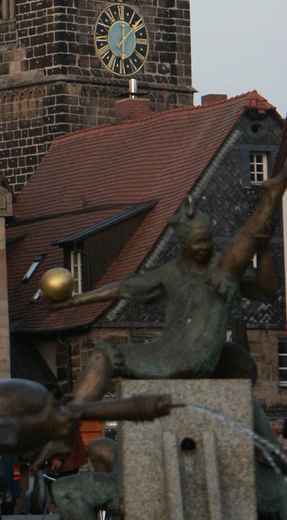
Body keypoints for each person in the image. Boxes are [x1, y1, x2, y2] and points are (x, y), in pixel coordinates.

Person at [43, 164, 287, 404]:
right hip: (172, 352)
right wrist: (72, 302)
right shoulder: (171, 273)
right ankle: (71, 417)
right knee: (103, 356)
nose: (205, 247)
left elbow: (268, 292)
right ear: (183, 244)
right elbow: (122, 288)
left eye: (208, 241)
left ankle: (70, 417)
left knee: (226, 272)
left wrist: (263, 250)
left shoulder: (221, 270)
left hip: (191, 355)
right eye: (198, 242)